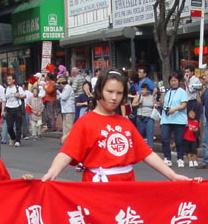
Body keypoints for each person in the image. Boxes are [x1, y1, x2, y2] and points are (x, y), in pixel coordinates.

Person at [41, 68, 195, 184]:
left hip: (126, 186)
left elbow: (147, 154)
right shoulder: (85, 122)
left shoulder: (126, 123)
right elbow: (67, 153)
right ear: (99, 90)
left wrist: (173, 176)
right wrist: (52, 173)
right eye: (109, 91)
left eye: (119, 93)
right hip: (96, 186)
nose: (114, 97)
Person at [159, 71, 190, 167]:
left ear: (179, 81)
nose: (173, 82)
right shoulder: (167, 92)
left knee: (179, 140)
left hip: (178, 119)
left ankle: (180, 158)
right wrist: (162, 94)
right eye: (172, 81)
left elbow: (184, 104)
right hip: (166, 119)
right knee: (164, 139)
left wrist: (175, 109)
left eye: (175, 80)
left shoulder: (182, 92)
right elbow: (161, 104)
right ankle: (167, 157)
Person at [133, 82, 156, 149]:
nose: (143, 91)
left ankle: (150, 147)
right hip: (140, 116)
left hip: (149, 117)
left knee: (150, 132)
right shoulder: (139, 96)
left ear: (148, 90)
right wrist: (138, 103)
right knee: (140, 132)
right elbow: (133, 104)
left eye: (144, 90)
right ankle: (139, 146)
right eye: (142, 90)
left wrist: (155, 106)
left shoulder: (152, 97)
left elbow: (154, 106)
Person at [4, 75, 25, 146]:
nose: (8, 81)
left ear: (13, 80)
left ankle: (18, 140)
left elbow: (24, 96)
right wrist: (3, 110)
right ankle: (13, 137)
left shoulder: (18, 88)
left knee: (18, 125)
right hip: (8, 108)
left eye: (9, 79)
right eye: (7, 79)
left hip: (17, 107)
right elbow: (4, 100)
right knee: (9, 126)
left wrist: (19, 95)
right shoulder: (6, 89)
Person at [58, 76, 75, 143]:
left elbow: (64, 97)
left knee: (69, 126)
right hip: (65, 109)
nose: (59, 85)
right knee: (65, 125)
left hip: (69, 110)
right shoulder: (65, 89)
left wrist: (59, 93)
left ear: (62, 83)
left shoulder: (68, 88)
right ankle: (65, 139)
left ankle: (69, 140)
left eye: (59, 83)